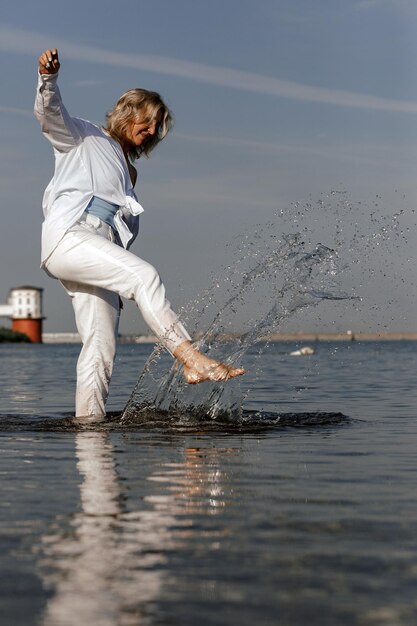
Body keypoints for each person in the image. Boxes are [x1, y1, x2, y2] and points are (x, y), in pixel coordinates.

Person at [35, 48, 245, 420]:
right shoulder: (83, 135)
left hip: (94, 251)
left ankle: (90, 429)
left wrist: (122, 284)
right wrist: (47, 79)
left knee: (101, 347)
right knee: (145, 275)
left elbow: (119, 236)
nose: (151, 133)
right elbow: (49, 114)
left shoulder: (129, 175)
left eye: (157, 128)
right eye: (147, 123)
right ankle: (190, 358)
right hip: (70, 237)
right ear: (126, 114)